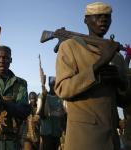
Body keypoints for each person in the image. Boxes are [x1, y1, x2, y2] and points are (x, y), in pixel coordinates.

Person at [54, 2, 130, 150]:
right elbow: (63, 89)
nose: (103, 19)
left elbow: (125, 101)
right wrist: (97, 67)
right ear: (86, 20)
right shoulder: (70, 47)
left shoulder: (117, 57)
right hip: (84, 139)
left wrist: (120, 83)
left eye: (107, 16)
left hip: (112, 140)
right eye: (98, 16)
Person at [38, 76, 66, 150]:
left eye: (55, 84)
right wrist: (44, 98)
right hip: (46, 133)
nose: (54, 86)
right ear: (49, 85)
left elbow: (64, 113)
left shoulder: (61, 98)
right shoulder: (42, 96)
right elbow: (42, 115)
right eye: (52, 84)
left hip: (57, 133)